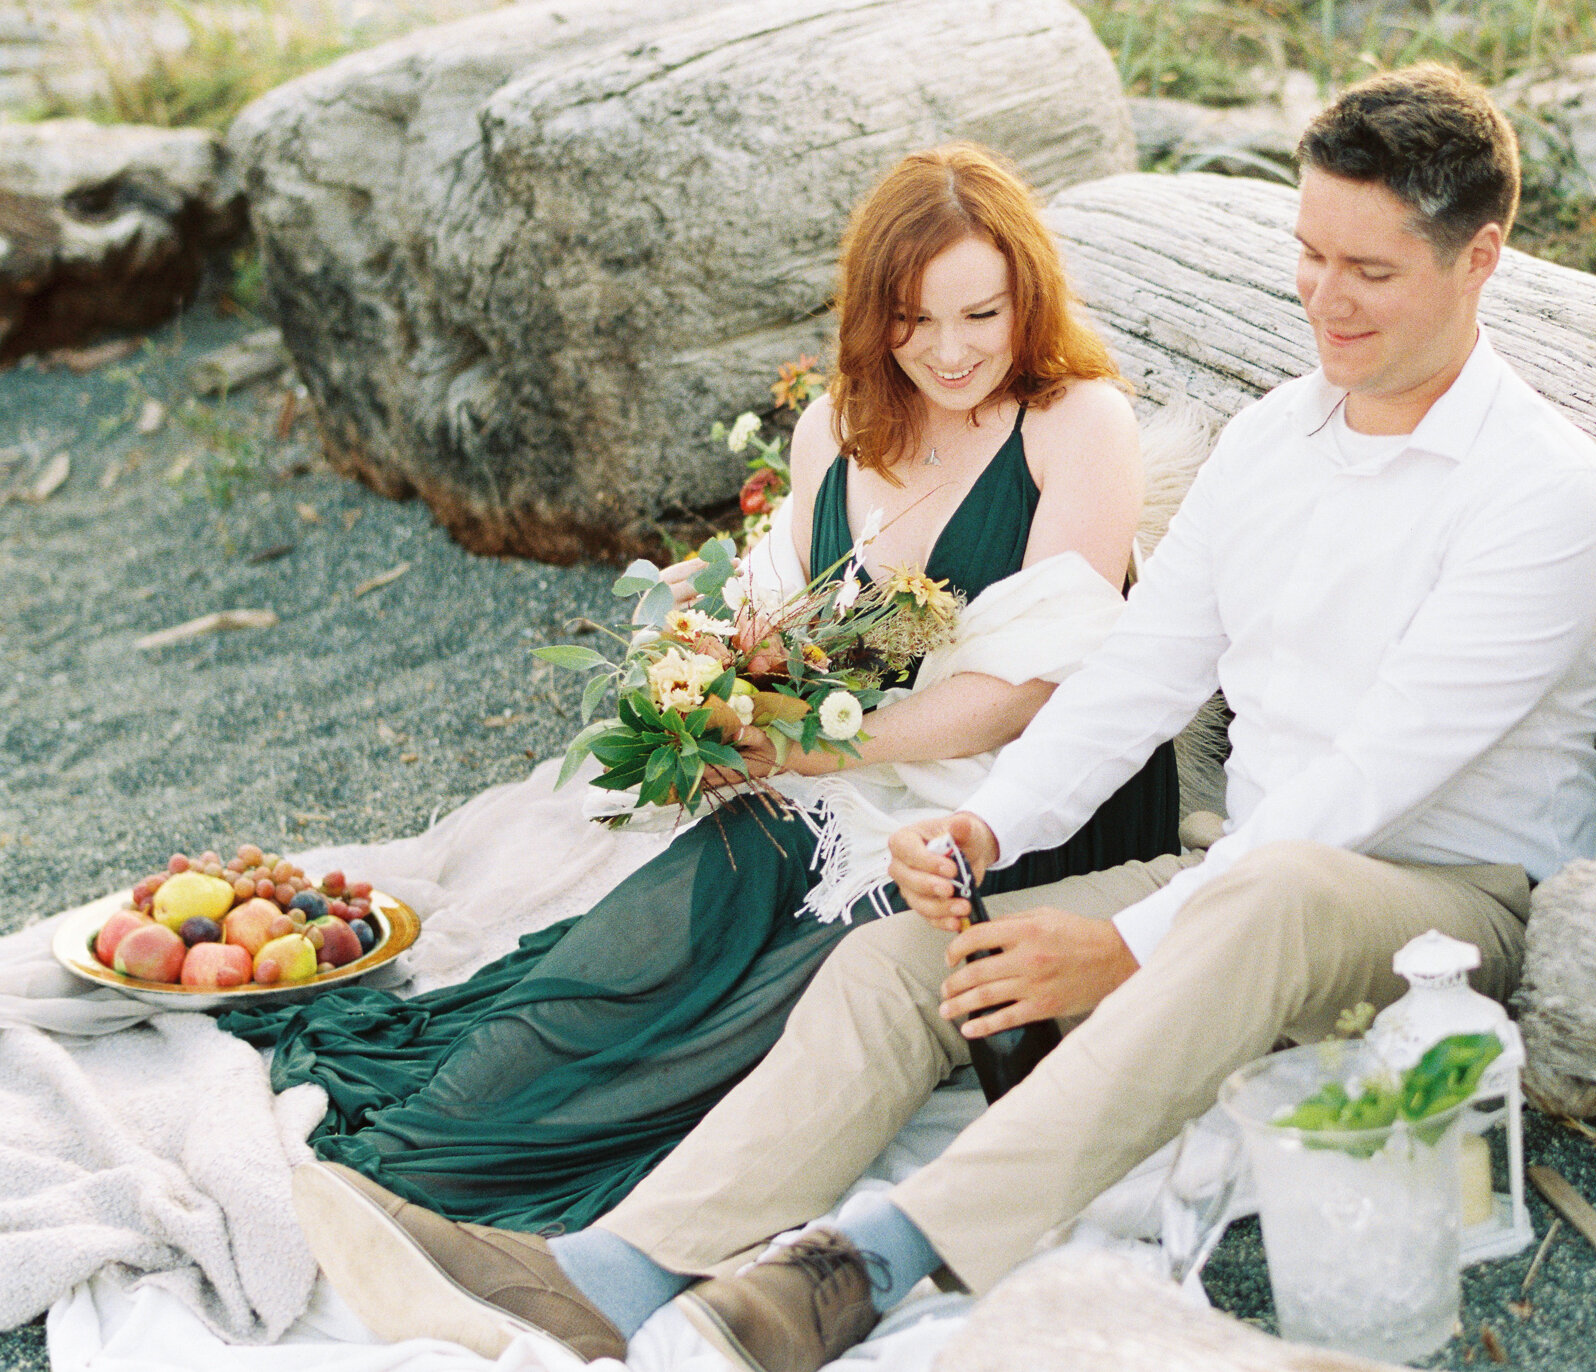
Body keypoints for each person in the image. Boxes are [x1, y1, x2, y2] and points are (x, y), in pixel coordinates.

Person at [291, 64, 1596, 1372]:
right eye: (1309, 255)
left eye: (1370, 271)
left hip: (1443, 897)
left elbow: (1374, 781)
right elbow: (1139, 673)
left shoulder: (1544, 493)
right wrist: (989, 828)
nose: (1324, 301)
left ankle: (863, 1264)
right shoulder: (1277, 440)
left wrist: (1130, 948)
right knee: (894, 966)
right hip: (1238, 871)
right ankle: (621, 1268)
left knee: (1269, 889)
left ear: (1481, 258)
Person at [226, 142, 1179, 1245]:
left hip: (1019, 799)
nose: (950, 349)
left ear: (1028, 295)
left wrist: (819, 749)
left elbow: (1026, 690)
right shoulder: (838, 425)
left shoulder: (1076, 423)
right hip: (848, 763)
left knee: (775, 996)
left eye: (982, 313)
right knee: (666, 925)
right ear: (874, 314)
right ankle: (428, 1119)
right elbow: (786, 617)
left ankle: (482, 1179)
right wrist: (716, 691)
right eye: (914, 319)